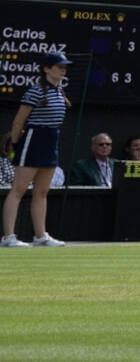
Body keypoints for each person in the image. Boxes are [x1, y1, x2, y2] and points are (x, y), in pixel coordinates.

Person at [3, 53, 73, 247]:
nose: (63, 70)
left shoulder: (60, 91)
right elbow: (18, 121)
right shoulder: (34, 92)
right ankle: (8, 237)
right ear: (46, 69)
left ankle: (40, 236)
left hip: (51, 142)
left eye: (64, 67)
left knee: (42, 192)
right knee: (18, 190)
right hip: (33, 140)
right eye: (59, 67)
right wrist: (15, 146)